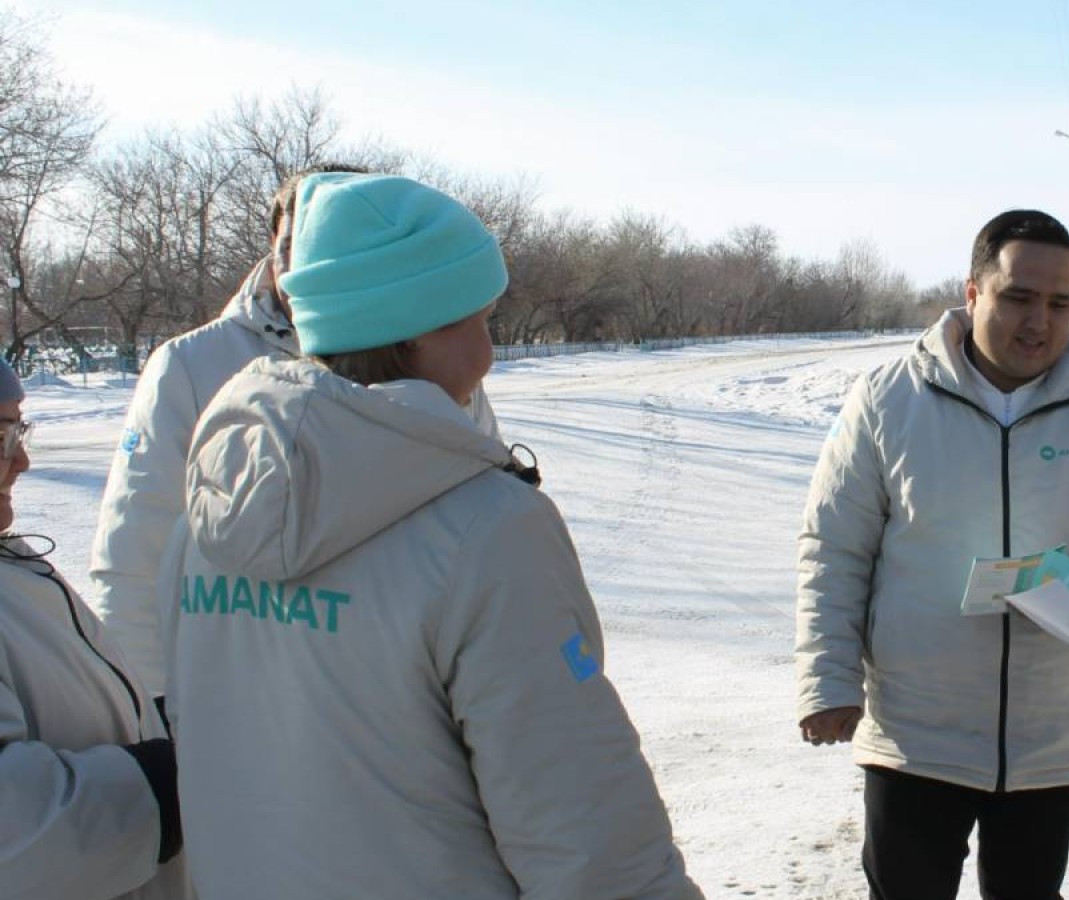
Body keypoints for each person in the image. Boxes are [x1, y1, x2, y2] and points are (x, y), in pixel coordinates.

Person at [157, 173, 699, 899]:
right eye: (479, 317)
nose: (490, 347)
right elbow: (581, 828)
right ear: (415, 326)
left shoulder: (207, 516)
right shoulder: (486, 531)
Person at [796, 209, 1069, 899]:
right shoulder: (890, 400)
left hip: (1054, 736)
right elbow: (835, 548)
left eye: (1059, 303)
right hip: (918, 733)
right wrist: (828, 680)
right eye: (1018, 296)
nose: (1038, 321)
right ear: (974, 292)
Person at [87, 163, 499, 696]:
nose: (302, 266)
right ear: (271, 245)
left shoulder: (431, 361)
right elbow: (134, 549)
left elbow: (482, 487)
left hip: (390, 678)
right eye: (290, 246)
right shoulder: (194, 365)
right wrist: (152, 704)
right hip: (244, 682)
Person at [0, 356, 190, 900]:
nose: (24, 462)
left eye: (20, 432)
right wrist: (177, 782)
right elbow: (14, 833)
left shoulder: (15, 568)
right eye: (2, 438)